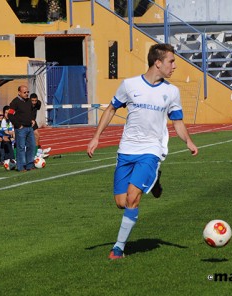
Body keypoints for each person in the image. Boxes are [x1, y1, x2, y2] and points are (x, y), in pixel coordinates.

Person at [87, 43, 199, 260]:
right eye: (171, 61)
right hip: (127, 149)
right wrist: (96, 137)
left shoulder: (172, 91)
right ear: (158, 62)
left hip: (151, 150)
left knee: (132, 199)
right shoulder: (129, 85)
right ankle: (154, 181)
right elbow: (111, 109)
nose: (174, 66)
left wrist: (188, 141)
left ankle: (118, 249)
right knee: (121, 203)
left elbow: (177, 122)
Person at [8, 85, 36, 172]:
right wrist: (18, 125)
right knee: (21, 148)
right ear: (19, 93)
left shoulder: (28, 101)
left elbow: (31, 112)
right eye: (24, 92)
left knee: (32, 146)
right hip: (21, 129)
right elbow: (10, 114)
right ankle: (21, 166)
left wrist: (32, 119)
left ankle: (29, 165)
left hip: (29, 128)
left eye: (28, 92)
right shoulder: (15, 102)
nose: (27, 94)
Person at [30, 93, 51, 158]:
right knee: (34, 136)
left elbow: (38, 106)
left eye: (35, 100)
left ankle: (38, 151)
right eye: (32, 101)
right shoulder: (27, 105)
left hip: (33, 121)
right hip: (28, 121)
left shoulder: (38, 103)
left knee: (37, 136)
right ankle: (36, 152)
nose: (34, 102)